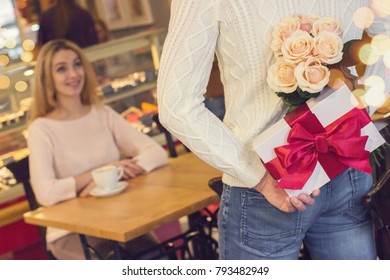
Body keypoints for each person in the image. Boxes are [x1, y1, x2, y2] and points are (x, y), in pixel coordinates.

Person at [157, 0, 390, 260]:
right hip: (344, 161)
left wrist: (260, 177)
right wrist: (362, 107)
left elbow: (175, 106)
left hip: (270, 181)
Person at [28, 39, 168, 260]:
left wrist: (115, 173)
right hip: (71, 230)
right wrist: (101, 172)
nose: (73, 74)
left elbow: (157, 153)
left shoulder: (102, 114)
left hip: (119, 220)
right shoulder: (41, 129)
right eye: (61, 69)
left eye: (77, 64)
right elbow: (45, 193)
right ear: (47, 79)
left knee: (158, 257)